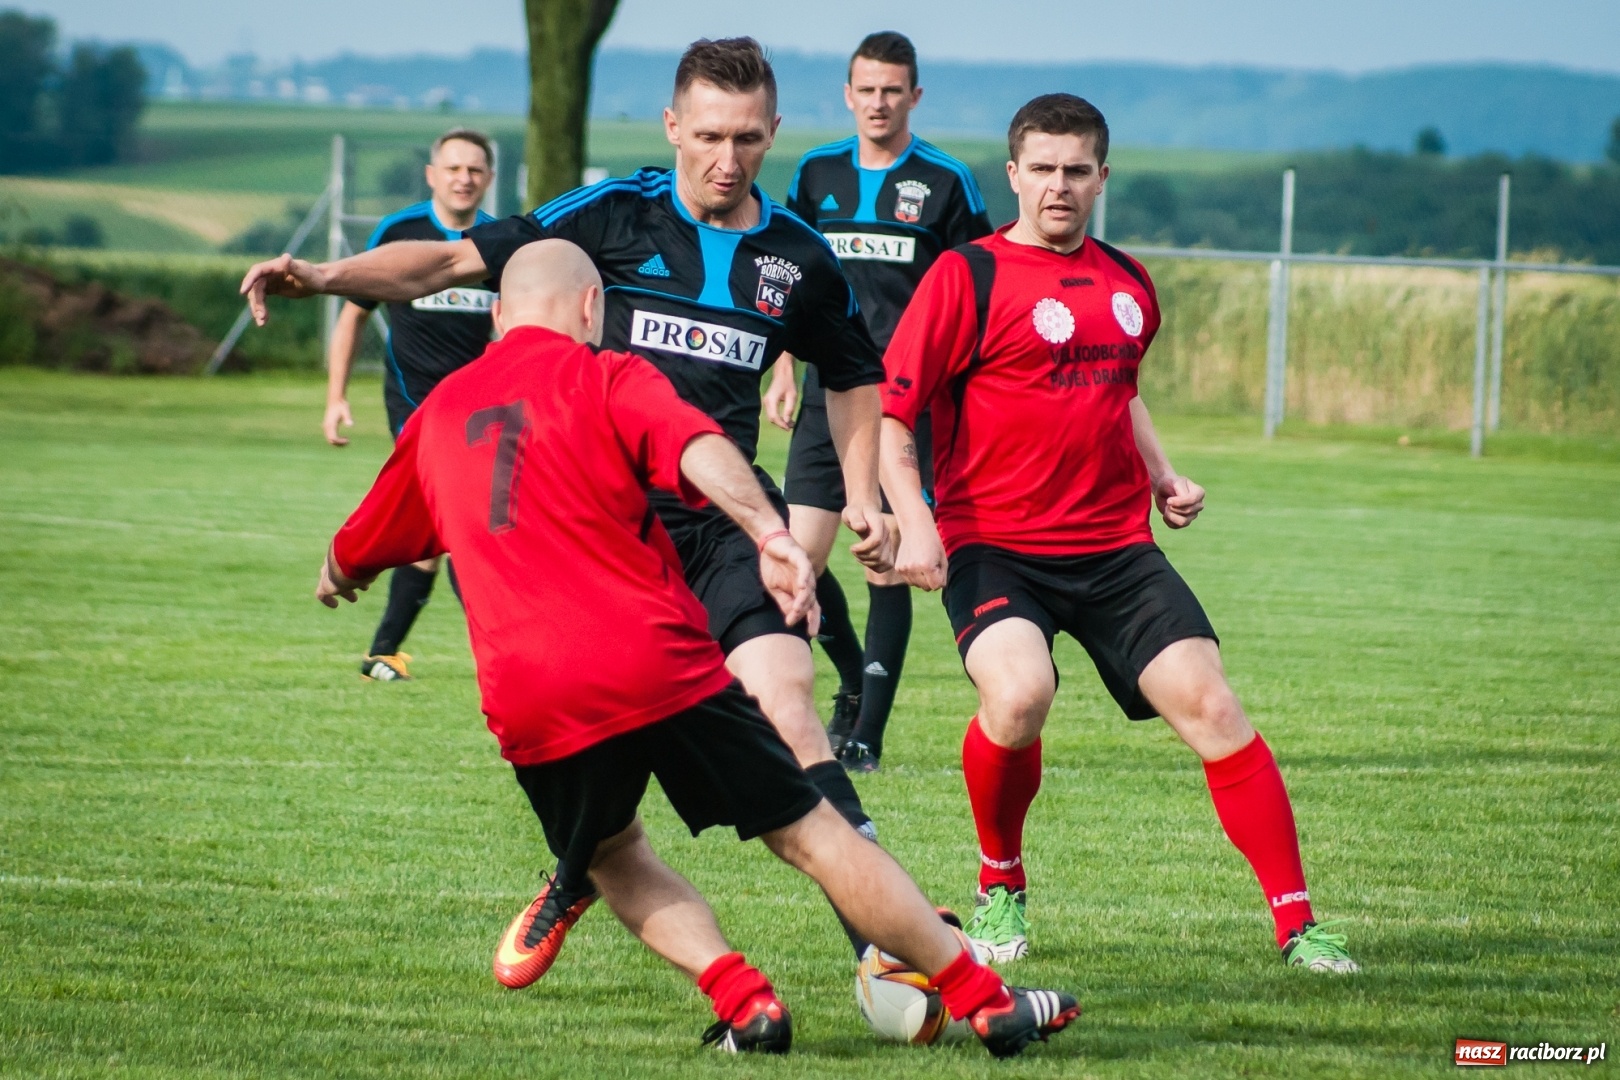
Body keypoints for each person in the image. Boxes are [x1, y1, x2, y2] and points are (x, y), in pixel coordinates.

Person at [316, 238, 1080, 1057]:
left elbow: (360, 544)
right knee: (812, 832)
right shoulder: (610, 375)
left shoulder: (441, 413)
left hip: (530, 694)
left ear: (498, 315)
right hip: (654, 659)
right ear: (590, 309)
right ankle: (983, 997)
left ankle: (747, 1003)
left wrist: (338, 572)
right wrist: (768, 531)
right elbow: (697, 447)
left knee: (613, 855)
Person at [241, 38, 891, 960]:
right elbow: (445, 266)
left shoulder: (799, 256)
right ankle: (581, 862)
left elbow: (854, 373)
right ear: (672, 126)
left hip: (719, 526)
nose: (726, 158)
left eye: (747, 138)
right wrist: (321, 276)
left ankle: (885, 946)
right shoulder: (611, 214)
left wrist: (861, 497)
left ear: (774, 132)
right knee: (606, 757)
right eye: (707, 134)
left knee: (788, 704)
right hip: (604, 539)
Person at [877, 93, 1360, 973]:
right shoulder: (966, 276)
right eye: (1043, 170)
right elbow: (893, 415)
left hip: (1114, 549)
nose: (1058, 187)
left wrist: (1164, 473)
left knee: (1214, 706)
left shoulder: (1131, 282)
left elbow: (1118, 389)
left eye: (1076, 171)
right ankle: (1000, 889)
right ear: (1013, 174)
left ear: (1103, 176)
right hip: (995, 543)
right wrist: (916, 523)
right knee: (1018, 697)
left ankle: (1300, 928)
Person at [766, 31, 993, 772]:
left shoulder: (948, 181)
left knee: (884, 561)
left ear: (914, 96)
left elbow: (981, 290)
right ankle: (852, 678)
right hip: (829, 393)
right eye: (866, 89)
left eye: (893, 89)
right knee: (798, 555)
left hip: (907, 407)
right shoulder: (816, 171)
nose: (878, 102)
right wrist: (784, 367)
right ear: (847, 94)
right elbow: (794, 280)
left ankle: (866, 735)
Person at [321, 127, 496, 682]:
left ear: (489, 179)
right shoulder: (400, 232)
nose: (463, 179)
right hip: (415, 405)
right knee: (459, 525)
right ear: (432, 175)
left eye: (474, 170)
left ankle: (382, 654)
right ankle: (494, 650)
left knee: (442, 531)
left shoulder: (501, 243)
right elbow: (354, 315)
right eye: (453, 168)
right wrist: (335, 398)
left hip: (479, 412)